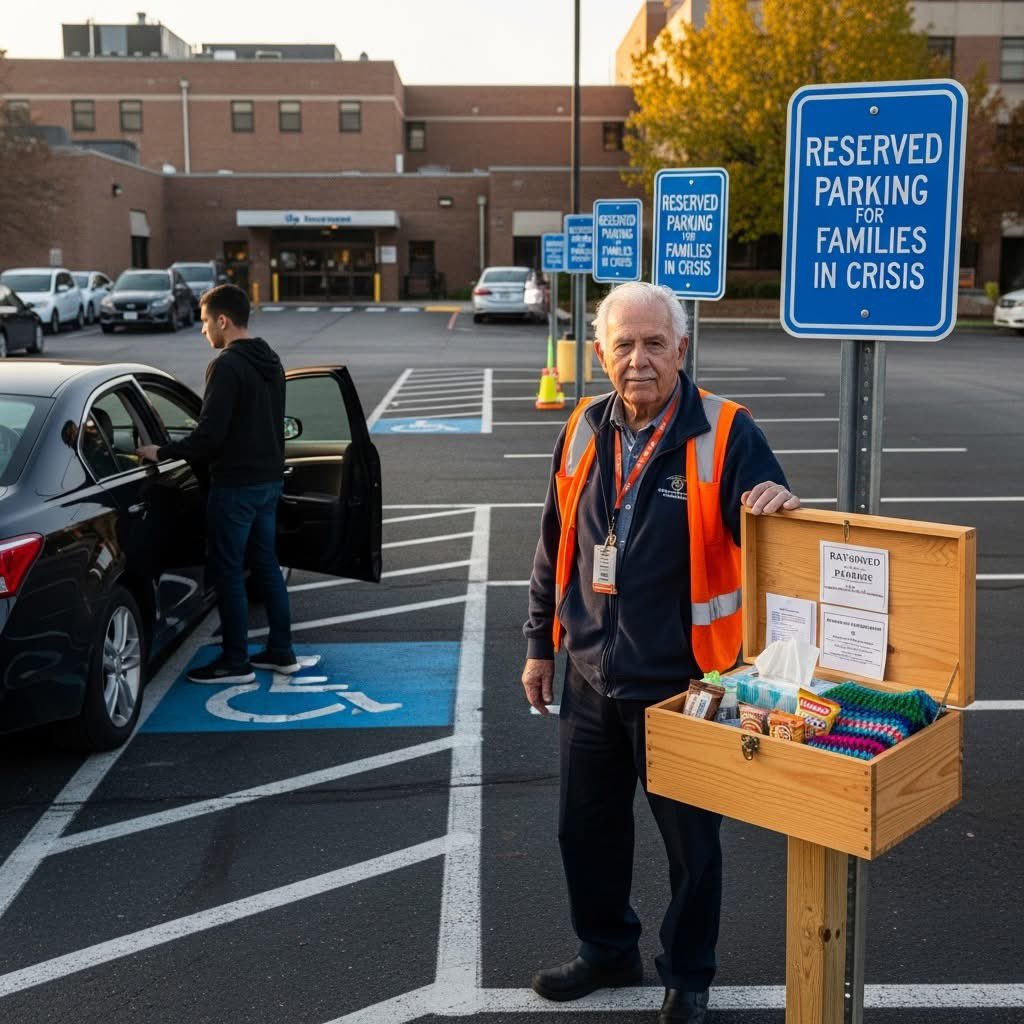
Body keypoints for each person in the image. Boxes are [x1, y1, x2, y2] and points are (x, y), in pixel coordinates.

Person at [521, 282, 800, 1024]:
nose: (638, 359)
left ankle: (689, 973)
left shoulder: (727, 431)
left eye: (653, 344)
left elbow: (770, 535)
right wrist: (538, 645)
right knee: (584, 830)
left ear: (682, 348)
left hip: (687, 684)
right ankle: (607, 950)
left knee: (692, 849)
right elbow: (555, 543)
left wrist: (774, 499)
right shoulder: (584, 426)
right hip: (587, 674)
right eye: (623, 345)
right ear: (601, 353)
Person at [137, 283, 299, 683]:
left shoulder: (226, 365)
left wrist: (163, 451)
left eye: (205, 321)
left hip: (236, 487)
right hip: (268, 483)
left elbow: (211, 437)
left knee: (226, 572)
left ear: (223, 320)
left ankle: (235, 661)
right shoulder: (271, 360)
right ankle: (282, 651)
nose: (202, 330)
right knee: (265, 567)